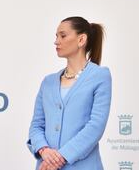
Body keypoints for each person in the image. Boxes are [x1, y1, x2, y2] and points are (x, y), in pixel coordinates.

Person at [27, 16, 112, 170]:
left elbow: (95, 126)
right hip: (45, 166)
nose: (56, 41)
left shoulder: (100, 76)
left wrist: (61, 157)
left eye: (63, 35)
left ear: (81, 40)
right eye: (56, 36)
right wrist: (43, 150)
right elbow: (36, 125)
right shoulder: (48, 82)